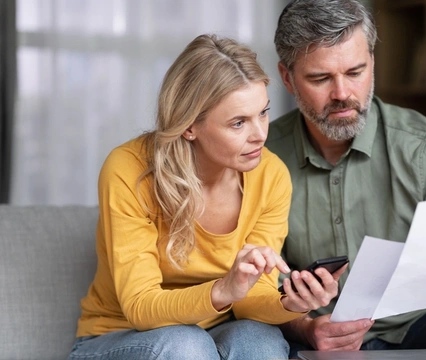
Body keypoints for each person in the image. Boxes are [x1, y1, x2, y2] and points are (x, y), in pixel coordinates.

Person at [265, 1, 426, 359]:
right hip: (307, 333)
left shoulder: (424, 145)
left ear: (372, 62)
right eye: (320, 78)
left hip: (415, 326)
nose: (343, 93)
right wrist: (305, 327)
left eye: (356, 71)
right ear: (287, 78)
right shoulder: (259, 156)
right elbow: (252, 286)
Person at [67, 34, 343, 360]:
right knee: (187, 345)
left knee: (261, 341)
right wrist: (224, 289)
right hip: (121, 336)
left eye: (263, 113)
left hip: (213, 332)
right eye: (239, 122)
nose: (260, 135)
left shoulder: (271, 175)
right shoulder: (129, 170)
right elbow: (140, 306)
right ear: (189, 126)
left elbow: (251, 298)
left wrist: (289, 303)